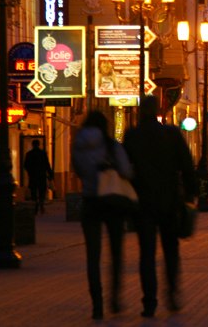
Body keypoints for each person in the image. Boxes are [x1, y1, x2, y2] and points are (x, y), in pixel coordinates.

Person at [123, 96, 197, 317]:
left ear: (139, 112)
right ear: (158, 111)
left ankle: (149, 302)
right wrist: (190, 195)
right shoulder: (171, 134)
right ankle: (172, 293)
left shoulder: (132, 136)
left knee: (146, 254)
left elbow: (125, 168)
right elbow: (187, 165)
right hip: (169, 202)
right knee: (171, 251)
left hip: (143, 203)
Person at [72, 110, 132, 320]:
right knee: (116, 253)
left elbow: (77, 170)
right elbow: (126, 171)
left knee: (92, 257)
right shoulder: (111, 145)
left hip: (90, 201)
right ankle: (114, 298)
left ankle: (97, 305)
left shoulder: (78, 145)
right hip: (112, 201)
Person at [24, 139, 54, 214]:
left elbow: (25, 165)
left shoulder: (29, 154)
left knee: (33, 192)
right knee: (42, 191)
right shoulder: (43, 153)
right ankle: (41, 204)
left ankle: (35, 206)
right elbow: (47, 165)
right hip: (41, 176)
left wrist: (30, 172)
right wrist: (50, 174)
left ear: (32, 145)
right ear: (39, 144)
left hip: (33, 176)